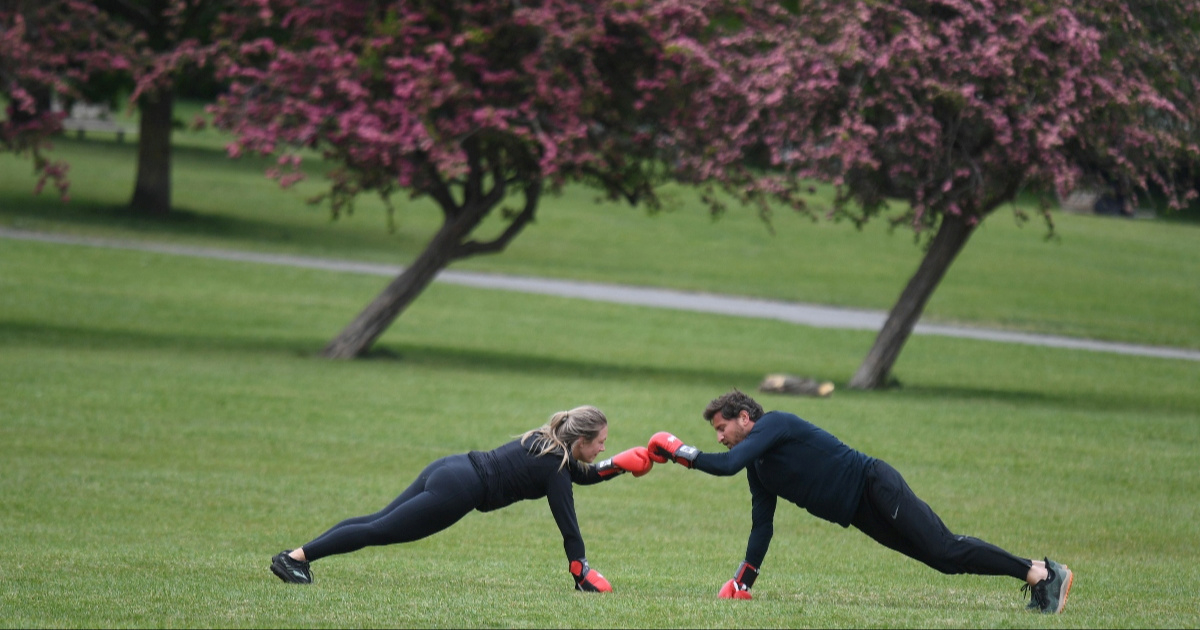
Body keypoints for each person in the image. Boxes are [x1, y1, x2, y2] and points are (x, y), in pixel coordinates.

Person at [646, 389, 1074, 614]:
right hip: (861, 511)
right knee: (942, 558)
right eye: (715, 434)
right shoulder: (760, 467)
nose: (719, 438)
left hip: (874, 485)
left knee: (943, 546)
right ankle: (1039, 574)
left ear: (745, 417)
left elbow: (724, 465)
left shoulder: (774, 424)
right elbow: (762, 526)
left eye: (722, 428)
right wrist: (743, 582)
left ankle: (1042, 574)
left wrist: (681, 451)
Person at [271, 405, 654, 592]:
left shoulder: (548, 444)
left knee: (377, 520)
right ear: (581, 440)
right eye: (602, 443)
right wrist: (580, 571)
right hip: (459, 490)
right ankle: (294, 560)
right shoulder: (553, 466)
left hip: (450, 467)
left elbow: (580, 476)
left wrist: (616, 465)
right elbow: (568, 524)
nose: (605, 446)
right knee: (381, 530)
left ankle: (298, 555)